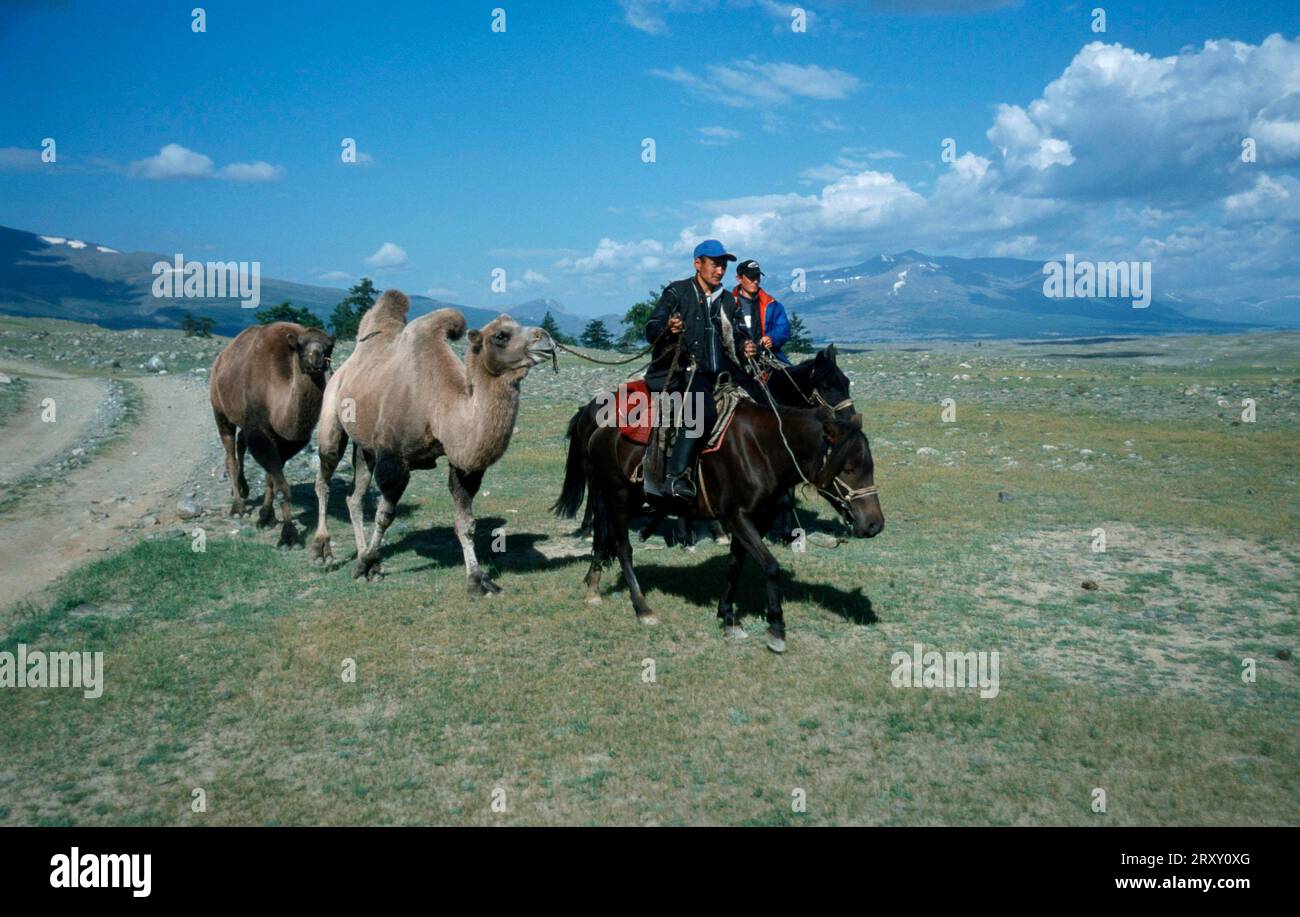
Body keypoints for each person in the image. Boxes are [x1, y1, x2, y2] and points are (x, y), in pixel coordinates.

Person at [643, 239, 757, 503]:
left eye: (724, 266)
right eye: (715, 264)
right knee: (701, 411)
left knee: (762, 400)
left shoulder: (729, 300)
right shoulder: (676, 292)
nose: (720, 270)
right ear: (698, 264)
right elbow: (651, 328)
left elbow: (738, 336)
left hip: (724, 374)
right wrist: (668, 328)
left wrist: (745, 347)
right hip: (686, 373)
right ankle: (675, 477)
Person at [732, 259, 792, 365]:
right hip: (736, 361)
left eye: (757, 277)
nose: (755, 281)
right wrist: (741, 347)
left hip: (768, 359)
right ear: (739, 279)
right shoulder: (728, 304)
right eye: (751, 277)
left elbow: (784, 328)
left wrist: (772, 338)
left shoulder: (772, 304)